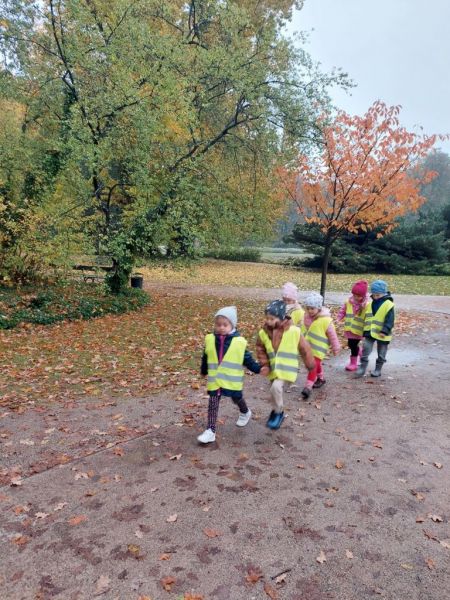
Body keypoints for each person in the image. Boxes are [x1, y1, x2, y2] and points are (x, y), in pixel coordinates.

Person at [197, 306, 261, 444]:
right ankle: (210, 431)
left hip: (231, 380)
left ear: (232, 325)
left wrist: (258, 369)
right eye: (218, 324)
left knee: (236, 398)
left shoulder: (238, 342)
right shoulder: (210, 339)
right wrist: (204, 370)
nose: (221, 327)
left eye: (225, 325)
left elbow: (248, 360)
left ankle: (245, 412)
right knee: (213, 402)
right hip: (215, 381)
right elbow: (206, 357)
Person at [256, 300, 315, 430]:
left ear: (281, 317)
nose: (268, 321)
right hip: (273, 369)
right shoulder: (263, 333)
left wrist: (310, 364)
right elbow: (260, 349)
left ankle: (279, 413)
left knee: (276, 388)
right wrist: (264, 364)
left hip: (287, 369)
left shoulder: (294, 331)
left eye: (272, 319)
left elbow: (305, 349)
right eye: (267, 318)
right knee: (273, 391)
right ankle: (275, 410)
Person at [300, 292, 340, 399]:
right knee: (315, 364)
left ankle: (308, 387)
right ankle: (321, 378)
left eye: (312, 308)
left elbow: (332, 335)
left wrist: (336, 347)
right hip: (308, 347)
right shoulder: (306, 318)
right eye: (308, 308)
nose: (310, 311)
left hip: (319, 349)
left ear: (318, 308)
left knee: (313, 365)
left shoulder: (326, 320)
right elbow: (303, 331)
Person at [355, 280, 395, 378]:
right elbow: (365, 316)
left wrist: (385, 331)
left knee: (381, 352)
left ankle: (378, 369)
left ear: (384, 293)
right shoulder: (370, 304)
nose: (376, 297)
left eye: (378, 295)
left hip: (383, 333)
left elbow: (390, 320)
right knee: (366, 349)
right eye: (374, 295)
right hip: (369, 331)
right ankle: (362, 367)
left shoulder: (388, 304)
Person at [337, 280, 369, 371]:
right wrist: (339, 318)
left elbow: (369, 316)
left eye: (358, 296)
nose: (356, 297)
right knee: (351, 344)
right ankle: (361, 353)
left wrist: (368, 327)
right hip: (350, 328)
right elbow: (343, 310)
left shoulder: (366, 305)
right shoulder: (348, 302)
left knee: (353, 345)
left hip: (359, 329)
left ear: (363, 295)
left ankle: (353, 363)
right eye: (354, 295)